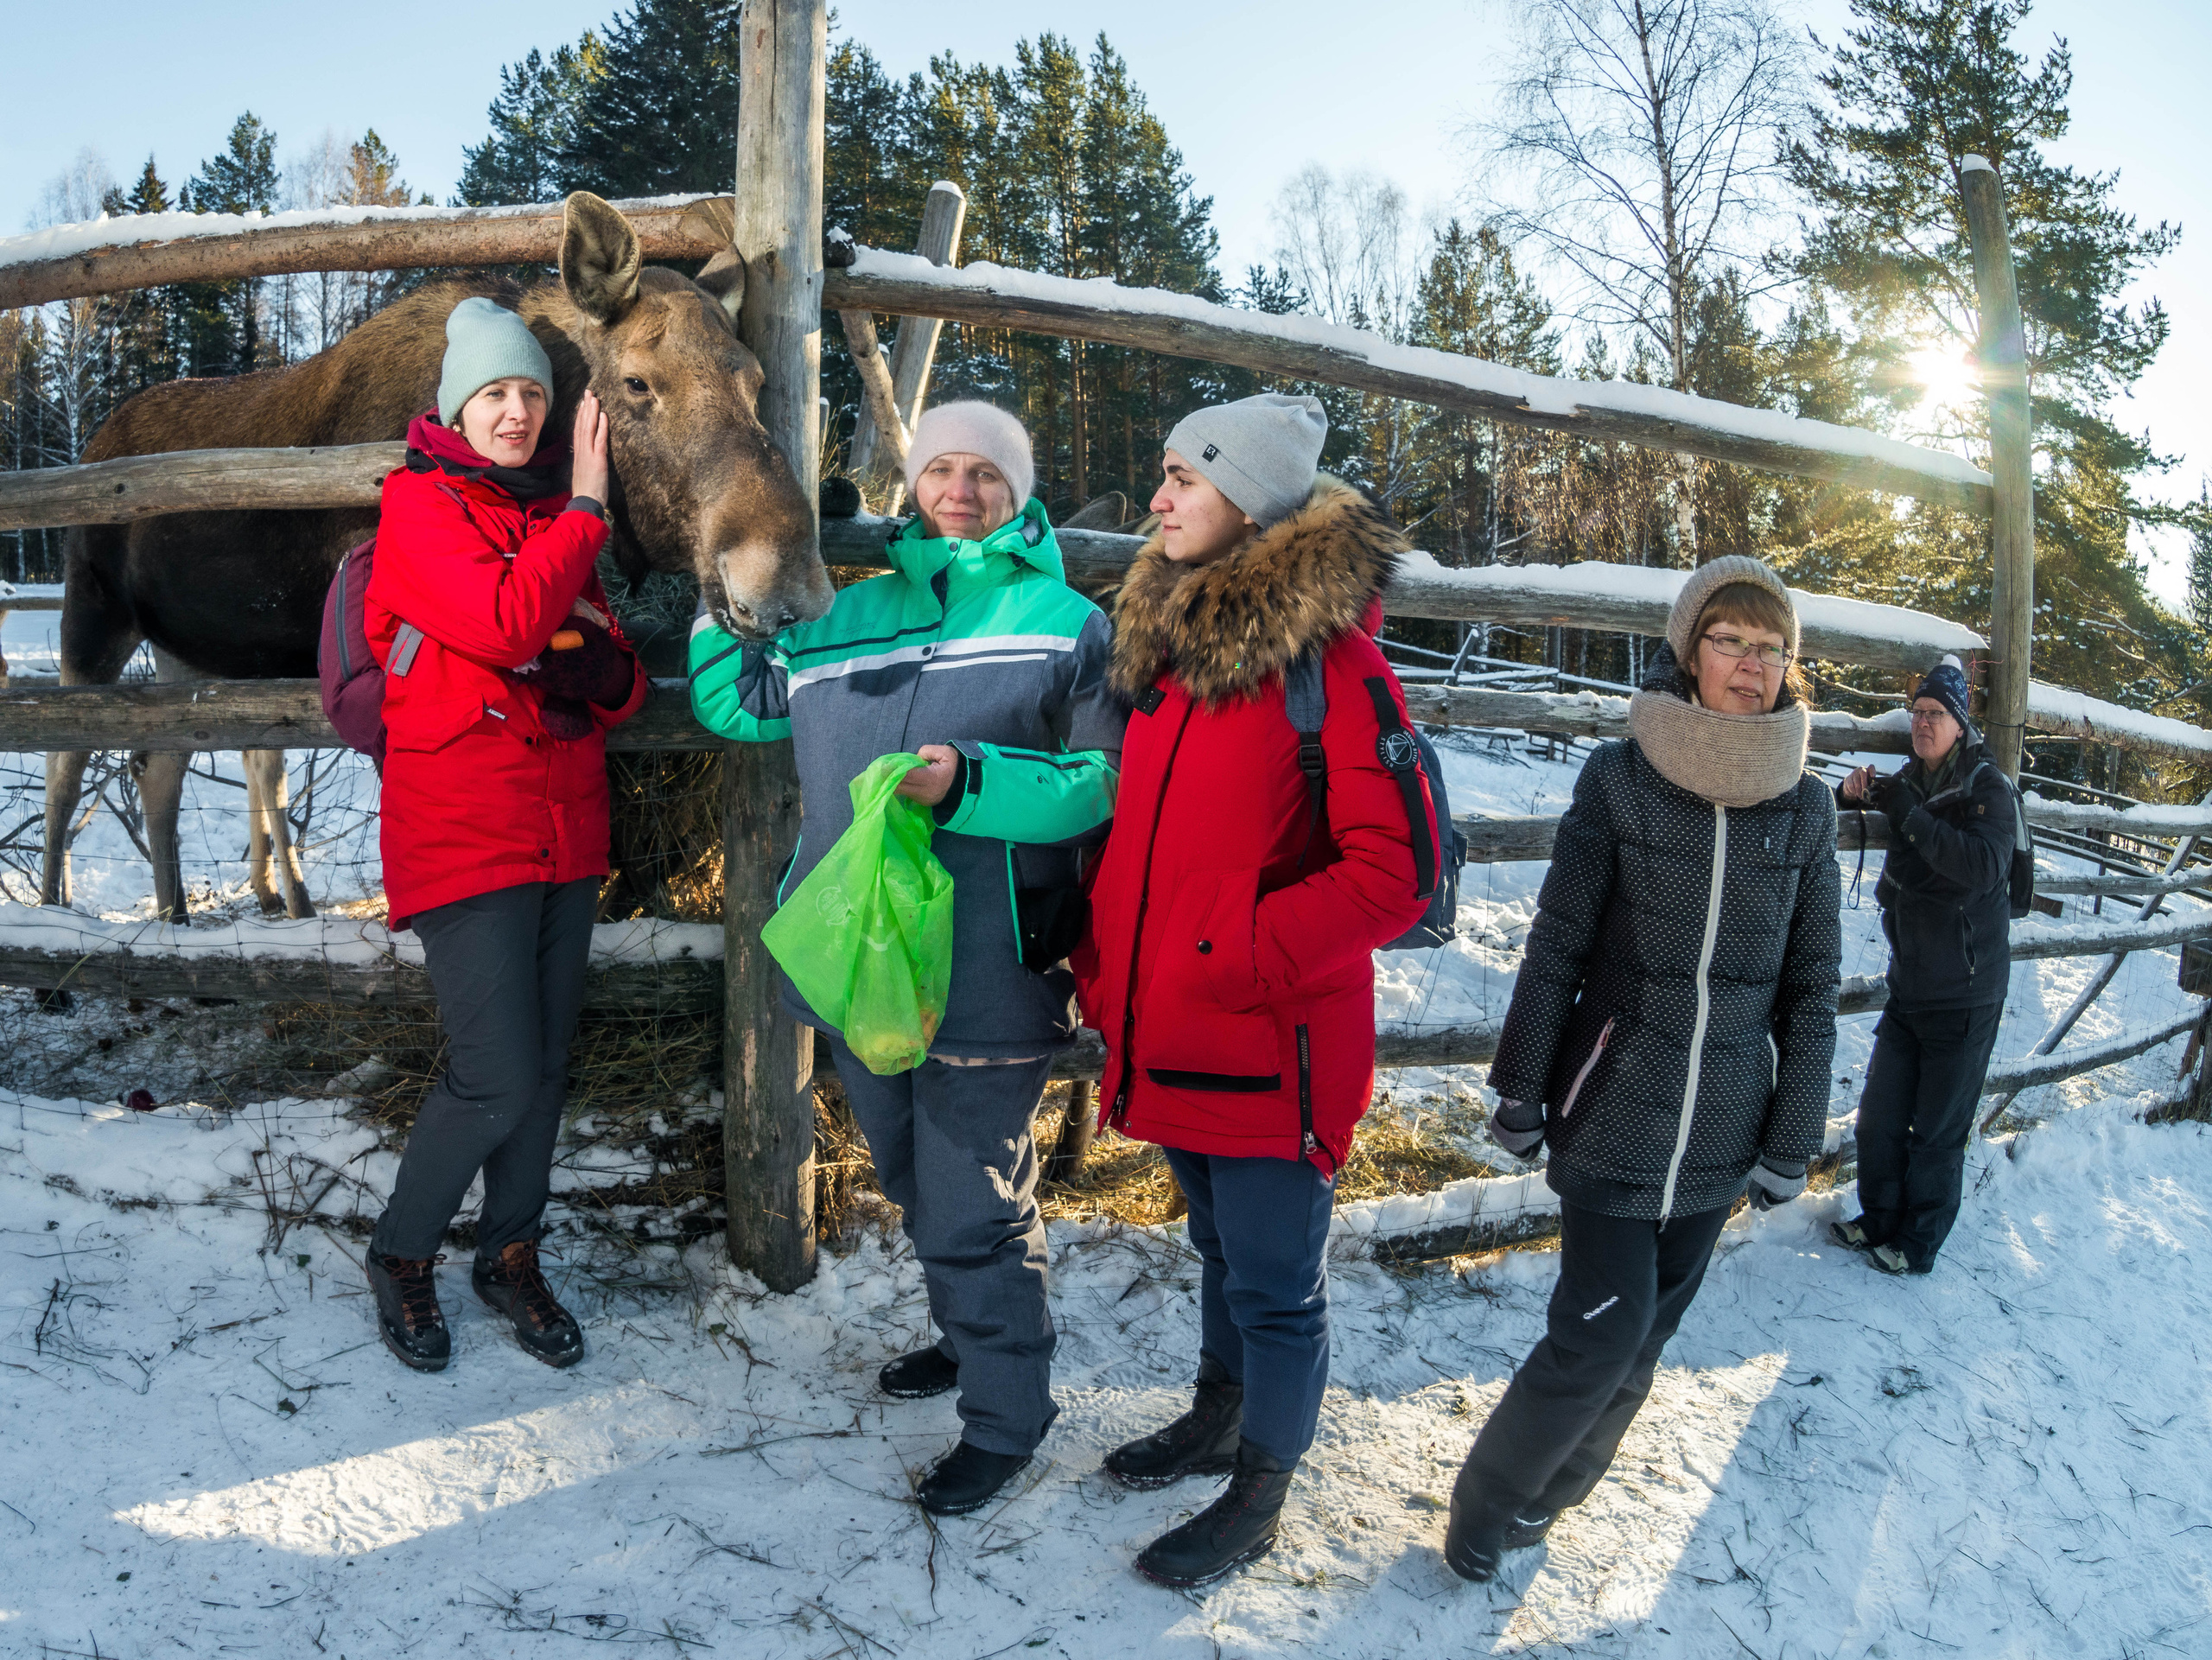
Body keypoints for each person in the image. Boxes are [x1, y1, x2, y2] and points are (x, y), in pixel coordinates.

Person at [690, 403, 1124, 1517]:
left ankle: (1007, 1416)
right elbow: (739, 701)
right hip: (860, 966)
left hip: (989, 962)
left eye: (987, 473)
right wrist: (713, 585)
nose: (962, 491)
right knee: (908, 1174)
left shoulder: (1064, 623)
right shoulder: (849, 614)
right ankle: (964, 1333)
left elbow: (1102, 782)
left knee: (973, 1195)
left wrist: (971, 780)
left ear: (1017, 492)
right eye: (943, 470)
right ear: (913, 483)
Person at [1073, 394, 1433, 1589]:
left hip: (1270, 1045)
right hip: (1176, 1034)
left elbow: (1398, 872)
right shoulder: (1172, 659)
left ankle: (1263, 1488)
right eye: (1163, 475)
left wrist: (1232, 952)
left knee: (1278, 1282)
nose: (1159, 499)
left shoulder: (1337, 668)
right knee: (1222, 1248)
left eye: (1183, 477)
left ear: (1254, 501)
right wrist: (1112, 963)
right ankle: (1217, 1417)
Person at [1443, 556, 1840, 1582]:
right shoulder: (1622, 777)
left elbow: (1811, 988)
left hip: (1724, 1125)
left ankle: (1551, 1498)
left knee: (1647, 1343)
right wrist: (1524, 1083)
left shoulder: (1805, 807)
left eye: (1770, 648)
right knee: (1595, 1339)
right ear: (1688, 652)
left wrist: (1790, 1138)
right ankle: (1485, 1503)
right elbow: (1559, 936)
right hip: (1614, 1101)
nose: (1750, 665)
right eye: (1730, 641)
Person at [363, 296, 648, 1373]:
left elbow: (614, 673)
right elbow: (503, 623)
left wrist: (603, 672)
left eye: (532, 392)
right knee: (493, 1073)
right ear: (456, 408)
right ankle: (401, 1253)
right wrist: (585, 507)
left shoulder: (539, 524)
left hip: (563, 830)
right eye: (496, 394)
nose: (517, 411)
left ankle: (510, 1252)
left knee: (544, 1068)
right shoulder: (420, 508)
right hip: (464, 834)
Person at [1833, 654, 2015, 1275]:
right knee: (1880, 1118)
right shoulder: (1913, 777)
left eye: (1935, 713)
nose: (1922, 723)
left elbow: (1984, 865)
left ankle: (1917, 1244)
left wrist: (1906, 810)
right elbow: (1880, 812)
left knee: (1937, 1131)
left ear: (1960, 722)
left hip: (1966, 990)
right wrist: (1851, 792)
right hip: (1910, 986)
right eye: (1916, 713)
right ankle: (1878, 1219)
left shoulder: (1988, 785)